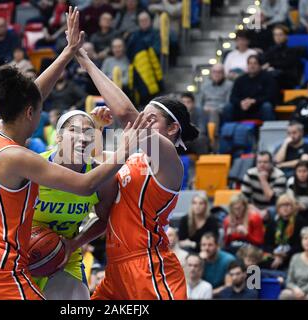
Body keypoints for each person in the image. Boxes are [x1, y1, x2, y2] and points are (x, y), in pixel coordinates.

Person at [0, 7, 150, 300]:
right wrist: (125, 147)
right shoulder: (20, 157)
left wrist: (68, 52)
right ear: (31, 114)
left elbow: (33, 94)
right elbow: (85, 184)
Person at [75, 41, 199, 300]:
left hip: (149, 266)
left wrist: (84, 60)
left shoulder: (168, 161)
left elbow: (126, 114)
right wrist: (97, 127)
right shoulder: (134, 158)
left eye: (150, 118)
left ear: (172, 128)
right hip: (116, 269)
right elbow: (94, 160)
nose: (142, 121)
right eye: (143, 115)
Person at [29, 109, 120, 300]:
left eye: (88, 132)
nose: (83, 137)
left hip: (64, 255)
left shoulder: (102, 177)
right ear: (59, 137)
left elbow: (103, 220)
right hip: (22, 253)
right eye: (73, 130)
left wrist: (74, 244)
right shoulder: (32, 167)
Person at [223, 55, 277, 123]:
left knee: (267, 106)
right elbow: (233, 97)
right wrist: (241, 102)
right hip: (242, 109)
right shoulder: (240, 79)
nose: (252, 66)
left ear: (260, 65)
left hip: (258, 108)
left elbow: (270, 96)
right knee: (228, 107)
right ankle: (228, 131)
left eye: (255, 63)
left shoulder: (268, 78)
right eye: (250, 63)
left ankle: (268, 131)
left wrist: (254, 101)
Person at [264, 194, 308, 270]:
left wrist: (285, 255)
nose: (285, 208)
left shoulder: (300, 222)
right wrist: (275, 254)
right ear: (278, 208)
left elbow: (301, 245)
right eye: (282, 205)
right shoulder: (273, 222)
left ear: (293, 207)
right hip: (275, 255)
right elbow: (267, 244)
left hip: (293, 256)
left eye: (288, 205)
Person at [241, 151, 287, 219]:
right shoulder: (250, 174)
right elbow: (245, 199)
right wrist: (257, 212)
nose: (262, 165)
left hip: (273, 209)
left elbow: (275, 201)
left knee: (273, 211)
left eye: (265, 162)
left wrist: (263, 181)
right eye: (259, 162)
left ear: (271, 163)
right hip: (254, 208)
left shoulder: (280, 176)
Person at [261, 24, 302, 89]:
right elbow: (264, 60)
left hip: (287, 78)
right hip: (272, 74)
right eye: (275, 35)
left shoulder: (292, 50)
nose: (277, 37)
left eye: (280, 34)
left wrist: (270, 64)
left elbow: (286, 63)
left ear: (286, 36)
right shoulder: (271, 49)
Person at [197, 63, 233, 131]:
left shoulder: (229, 85)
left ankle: (213, 138)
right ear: (211, 73)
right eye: (214, 72)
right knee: (194, 110)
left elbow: (228, 102)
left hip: (219, 110)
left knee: (213, 113)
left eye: (219, 72)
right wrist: (202, 108)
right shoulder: (205, 85)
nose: (216, 74)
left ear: (223, 74)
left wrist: (214, 108)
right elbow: (199, 101)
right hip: (205, 109)